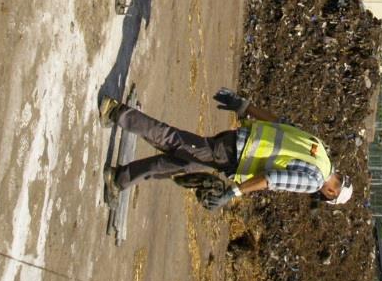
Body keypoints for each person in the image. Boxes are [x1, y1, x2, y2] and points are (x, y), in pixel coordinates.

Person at [99, 88, 353, 210]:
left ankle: (119, 179)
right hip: (236, 153)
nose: (320, 195)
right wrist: (233, 193)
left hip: (238, 145)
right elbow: (272, 179)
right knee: (174, 142)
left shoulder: (319, 148)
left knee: (184, 163)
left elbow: (280, 123)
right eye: (326, 197)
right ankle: (116, 112)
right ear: (332, 191)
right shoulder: (313, 181)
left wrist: (244, 107)